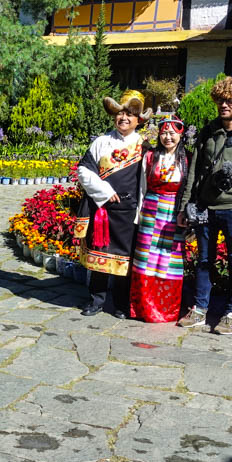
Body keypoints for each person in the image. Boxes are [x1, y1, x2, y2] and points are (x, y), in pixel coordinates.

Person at [177, 77, 232, 335]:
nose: (224, 105)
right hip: (206, 207)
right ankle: (200, 309)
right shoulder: (208, 131)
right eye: (220, 100)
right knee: (204, 259)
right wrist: (185, 206)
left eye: (230, 101)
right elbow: (194, 172)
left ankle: (231, 312)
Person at [74, 90, 148, 319]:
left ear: (138, 119)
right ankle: (96, 299)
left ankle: (121, 304)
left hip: (129, 211)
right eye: (120, 114)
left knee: (125, 260)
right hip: (103, 209)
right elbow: (84, 170)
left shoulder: (144, 146)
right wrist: (104, 192)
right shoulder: (101, 142)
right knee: (100, 254)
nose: (123, 118)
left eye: (129, 114)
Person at [129, 116, 188, 323]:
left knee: (168, 260)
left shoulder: (186, 159)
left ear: (180, 135)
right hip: (150, 211)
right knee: (146, 259)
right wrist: (139, 214)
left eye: (172, 133)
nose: (168, 137)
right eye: (164, 133)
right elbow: (142, 188)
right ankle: (143, 308)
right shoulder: (150, 157)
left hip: (174, 213)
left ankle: (166, 309)